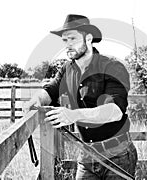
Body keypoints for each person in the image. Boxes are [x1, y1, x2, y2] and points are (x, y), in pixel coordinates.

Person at [24, 14, 138, 179]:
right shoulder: (67, 70)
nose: (68, 45)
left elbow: (115, 111)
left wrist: (73, 115)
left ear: (89, 38)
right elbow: (50, 90)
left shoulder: (112, 67)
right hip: (87, 154)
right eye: (65, 40)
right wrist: (35, 101)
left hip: (118, 155)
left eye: (73, 39)